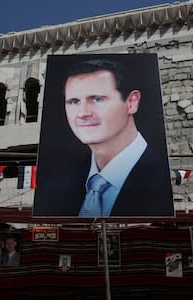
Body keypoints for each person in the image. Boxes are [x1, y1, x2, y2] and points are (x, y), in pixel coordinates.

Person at [33, 55, 173, 217]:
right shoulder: (56, 190)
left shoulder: (165, 182)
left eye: (97, 99)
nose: (83, 113)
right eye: (74, 101)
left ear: (131, 102)